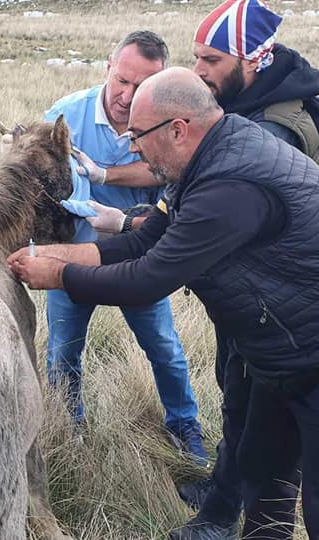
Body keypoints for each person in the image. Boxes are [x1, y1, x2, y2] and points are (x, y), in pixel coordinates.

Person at [6, 67, 319, 540]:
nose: (131, 147)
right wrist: (55, 254)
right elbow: (143, 244)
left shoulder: (231, 186)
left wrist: (59, 275)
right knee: (264, 480)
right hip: (282, 356)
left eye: (138, 136)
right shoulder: (200, 163)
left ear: (178, 130)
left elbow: (148, 279)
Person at [39, 30, 208, 466]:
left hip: (141, 259)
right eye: (122, 81)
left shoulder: (166, 121)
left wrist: (106, 176)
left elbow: (165, 172)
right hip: (73, 259)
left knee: (164, 349)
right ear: (107, 69)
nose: (127, 95)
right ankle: (67, 430)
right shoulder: (64, 117)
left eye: (142, 86)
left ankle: (184, 425)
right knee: (63, 353)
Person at [80, 0, 319, 237]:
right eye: (196, 58)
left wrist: (126, 223)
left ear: (252, 61)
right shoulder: (228, 102)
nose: (198, 70)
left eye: (211, 60)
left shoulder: (271, 131)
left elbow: (209, 222)